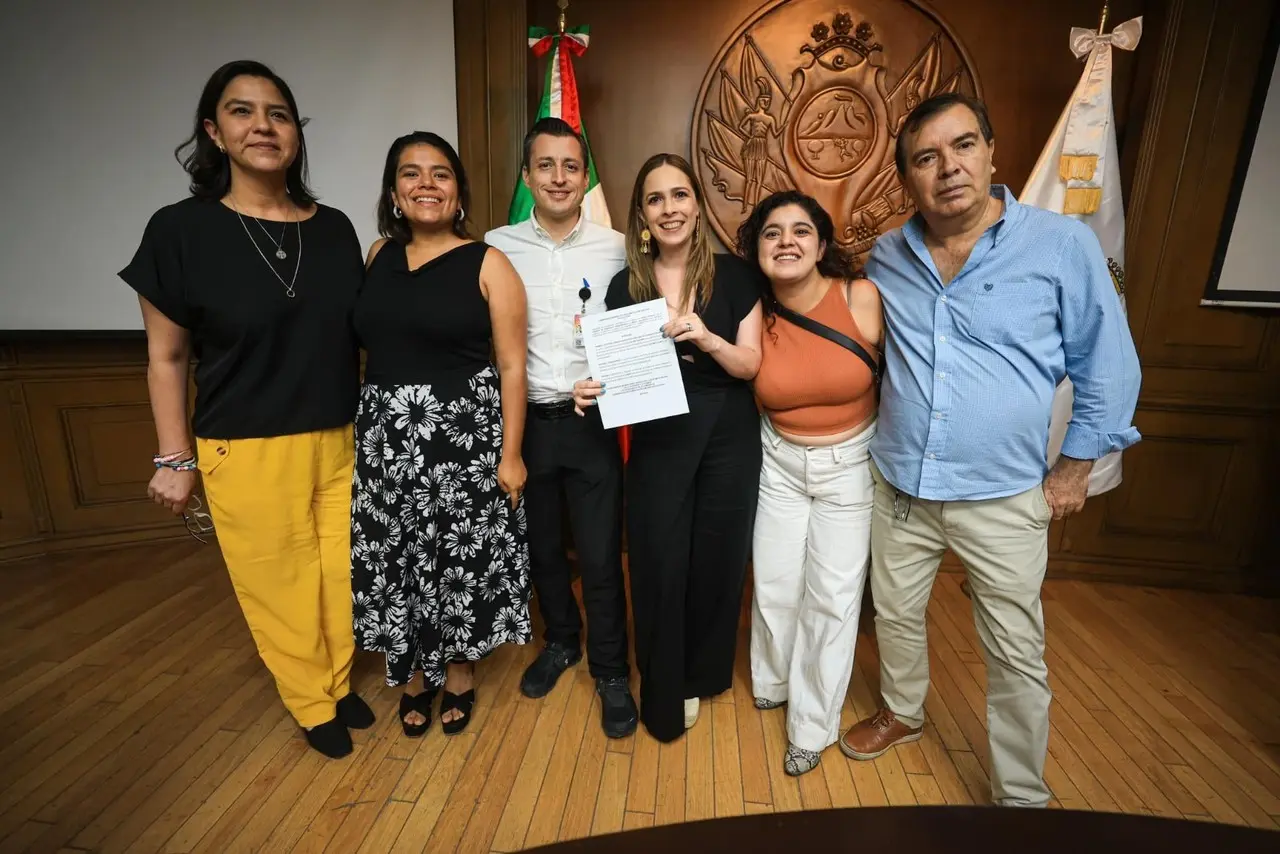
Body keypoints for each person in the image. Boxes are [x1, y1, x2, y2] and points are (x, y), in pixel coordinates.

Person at [839, 93, 1142, 807]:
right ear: (907, 179)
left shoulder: (1061, 244)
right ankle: (905, 714)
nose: (948, 168)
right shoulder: (888, 254)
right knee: (897, 613)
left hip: (1004, 494)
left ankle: (1019, 795)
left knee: (1014, 649)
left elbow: (1109, 364)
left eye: (964, 145)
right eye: (926, 158)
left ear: (992, 154)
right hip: (903, 487)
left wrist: (1074, 469)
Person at [121, 60, 375, 759]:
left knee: (340, 572)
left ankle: (337, 680)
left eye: (279, 113)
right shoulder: (179, 231)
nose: (263, 126)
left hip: (340, 433)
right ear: (214, 131)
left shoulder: (333, 228)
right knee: (280, 582)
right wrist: (174, 458)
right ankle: (310, 702)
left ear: (296, 133)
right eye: (242, 111)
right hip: (246, 441)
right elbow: (167, 359)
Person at [573, 153, 764, 742]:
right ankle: (663, 675)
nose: (669, 209)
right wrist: (591, 391)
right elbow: (618, 376)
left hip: (728, 434)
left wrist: (707, 337)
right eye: (655, 200)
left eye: (679, 196)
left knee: (717, 558)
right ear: (641, 215)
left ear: (698, 205)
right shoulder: (622, 285)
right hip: (658, 437)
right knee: (657, 559)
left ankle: (702, 673)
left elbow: (750, 364)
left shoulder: (736, 276)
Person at [351, 131, 531, 738]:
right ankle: (409, 673)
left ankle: (457, 673)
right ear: (394, 192)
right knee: (396, 555)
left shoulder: (489, 263)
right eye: (411, 173)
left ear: (459, 194)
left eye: (440, 174)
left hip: (460, 436)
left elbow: (511, 366)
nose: (426, 183)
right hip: (384, 438)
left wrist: (510, 455)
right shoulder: (377, 255)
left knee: (454, 557)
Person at [484, 118, 638, 738]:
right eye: (544, 165)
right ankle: (561, 643)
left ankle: (609, 670)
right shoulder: (495, 246)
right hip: (524, 422)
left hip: (592, 422)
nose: (558, 177)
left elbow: (638, 328)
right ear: (527, 176)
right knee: (541, 548)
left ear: (585, 176)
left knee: (601, 554)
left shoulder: (618, 246)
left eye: (570, 166)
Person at [736, 190, 882, 777]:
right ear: (757, 250)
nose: (787, 242)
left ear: (822, 245)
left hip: (850, 465)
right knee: (773, 584)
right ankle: (771, 680)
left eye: (801, 231)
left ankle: (812, 726)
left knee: (832, 597)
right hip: (779, 463)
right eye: (773, 233)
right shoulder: (751, 312)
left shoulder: (859, 297)